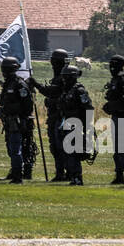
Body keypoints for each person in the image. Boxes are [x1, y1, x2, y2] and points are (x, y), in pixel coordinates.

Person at [0, 56, 35, 184]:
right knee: (11, 147)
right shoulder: (7, 84)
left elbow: (28, 105)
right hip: (9, 120)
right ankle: (15, 171)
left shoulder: (19, 84)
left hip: (18, 121)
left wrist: (18, 114)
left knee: (16, 148)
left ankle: (18, 175)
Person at [101, 55, 124, 184]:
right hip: (115, 116)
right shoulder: (115, 80)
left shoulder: (123, 81)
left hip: (122, 116)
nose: (111, 68)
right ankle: (119, 174)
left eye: (113, 65)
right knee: (117, 146)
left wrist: (116, 105)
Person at [35, 48, 70, 182]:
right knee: (55, 147)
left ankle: (67, 171)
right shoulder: (58, 77)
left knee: (62, 146)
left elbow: (51, 93)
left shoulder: (63, 78)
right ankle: (60, 172)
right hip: (54, 116)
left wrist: (36, 85)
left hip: (61, 117)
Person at [56, 65, 94, 186]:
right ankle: (72, 176)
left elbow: (88, 108)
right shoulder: (66, 90)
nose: (64, 80)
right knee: (67, 153)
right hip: (67, 124)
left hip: (76, 125)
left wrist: (87, 127)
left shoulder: (79, 91)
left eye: (66, 77)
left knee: (74, 153)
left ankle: (77, 178)